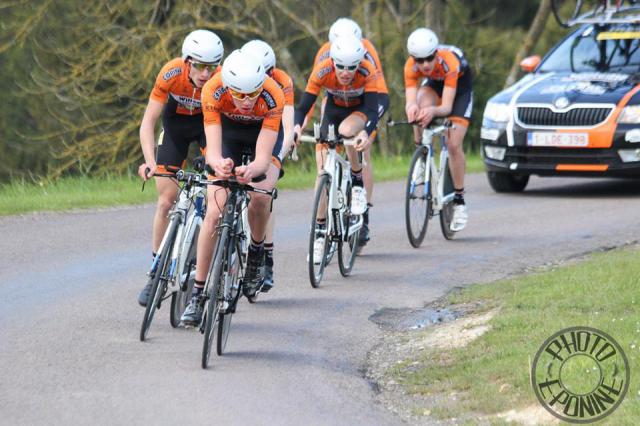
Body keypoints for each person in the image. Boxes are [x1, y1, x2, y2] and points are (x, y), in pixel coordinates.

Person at [180, 50, 285, 325]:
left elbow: (263, 158)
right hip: (229, 136)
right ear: (227, 86)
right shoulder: (213, 89)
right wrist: (220, 163)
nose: (247, 101)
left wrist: (252, 169)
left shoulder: (273, 94)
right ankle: (198, 293)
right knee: (214, 213)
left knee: (261, 197)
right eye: (239, 94)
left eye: (253, 93)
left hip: (262, 135)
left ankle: (255, 255)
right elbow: (212, 150)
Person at [137, 29, 223, 306]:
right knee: (166, 201)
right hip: (175, 128)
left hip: (206, 129)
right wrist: (150, 161)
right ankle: (155, 271)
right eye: (199, 65)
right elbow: (148, 122)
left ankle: (204, 244)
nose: (205, 73)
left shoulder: (222, 81)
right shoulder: (170, 73)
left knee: (215, 194)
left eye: (211, 66)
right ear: (187, 61)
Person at [294, 35, 379, 263]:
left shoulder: (367, 71)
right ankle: (320, 232)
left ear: (359, 64)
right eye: (340, 66)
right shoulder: (322, 70)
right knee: (323, 169)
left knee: (348, 129)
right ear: (333, 62)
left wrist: (367, 132)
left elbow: (374, 109)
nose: (345, 72)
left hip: (359, 112)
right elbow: (304, 105)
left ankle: (357, 181)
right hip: (333, 110)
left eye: (351, 67)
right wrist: (295, 127)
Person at [309, 17, 390, 249]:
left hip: (367, 101)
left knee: (361, 149)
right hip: (336, 100)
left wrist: (366, 129)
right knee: (323, 161)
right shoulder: (325, 53)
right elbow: (317, 92)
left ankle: (363, 215)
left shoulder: (367, 53)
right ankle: (320, 221)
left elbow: (378, 97)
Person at [404, 28, 473, 232]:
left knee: (453, 144)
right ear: (413, 59)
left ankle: (459, 201)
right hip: (435, 85)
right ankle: (422, 154)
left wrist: (432, 111)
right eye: (419, 60)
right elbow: (410, 100)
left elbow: (446, 108)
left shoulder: (450, 62)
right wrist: (413, 109)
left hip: (459, 90)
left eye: (429, 58)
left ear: (436, 53)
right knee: (419, 104)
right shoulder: (410, 67)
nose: (425, 64)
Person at [240, 39, 295, 293]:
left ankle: (266, 257)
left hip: (269, 133)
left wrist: (278, 158)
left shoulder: (281, 82)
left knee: (262, 195)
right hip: (241, 130)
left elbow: (286, 125)